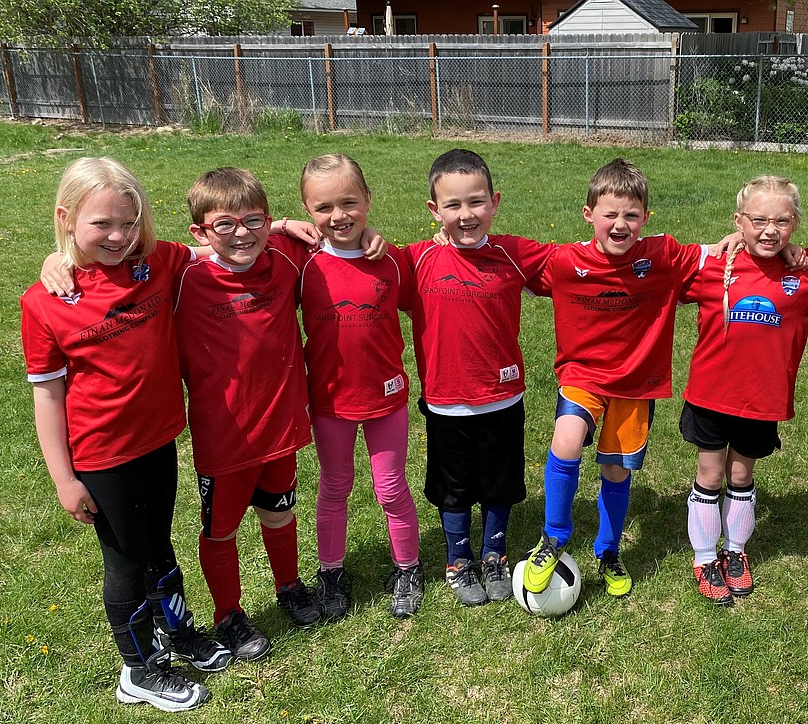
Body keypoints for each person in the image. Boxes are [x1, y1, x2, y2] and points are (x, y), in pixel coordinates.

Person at [21, 157, 229, 712]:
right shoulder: (44, 301)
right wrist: (64, 479)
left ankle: (175, 634)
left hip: (158, 440)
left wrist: (279, 227)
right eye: (101, 225)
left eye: (129, 222)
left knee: (160, 545)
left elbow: (216, 246)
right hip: (102, 455)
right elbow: (47, 396)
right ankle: (138, 670)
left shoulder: (155, 262)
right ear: (66, 218)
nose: (118, 236)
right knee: (127, 561)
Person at [522, 158, 708, 598]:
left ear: (645, 217)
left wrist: (738, 237)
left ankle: (608, 550)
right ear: (589, 215)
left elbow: (708, 256)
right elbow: (511, 265)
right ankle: (554, 536)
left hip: (635, 385)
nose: (620, 224)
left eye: (631, 214)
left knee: (614, 471)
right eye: (610, 214)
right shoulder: (565, 262)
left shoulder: (662, 255)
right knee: (565, 439)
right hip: (582, 376)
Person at [179, 167, 322, 658]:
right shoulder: (185, 278)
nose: (242, 233)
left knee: (279, 514)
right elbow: (120, 258)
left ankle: (288, 585)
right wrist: (56, 259)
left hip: (281, 426)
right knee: (221, 529)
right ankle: (229, 614)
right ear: (200, 232)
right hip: (225, 439)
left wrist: (283, 227)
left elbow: (342, 231)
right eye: (225, 224)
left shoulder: (284, 259)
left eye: (253, 220)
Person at [401, 148, 554, 606]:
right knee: (453, 487)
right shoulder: (415, 260)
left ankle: (494, 554)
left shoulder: (514, 253)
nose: (466, 215)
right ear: (434, 210)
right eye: (453, 205)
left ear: (494, 200)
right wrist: (285, 227)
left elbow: (584, 262)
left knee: (499, 482)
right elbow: (355, 262)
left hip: (503, 398)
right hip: (446, 401)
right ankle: (458, 559)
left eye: (476, 202)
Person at [680, 176, 808, 605]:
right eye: (758, 220)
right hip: (710, 394)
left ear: (795, 223)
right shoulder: (710, 267)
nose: (769, 230)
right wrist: (720, 244)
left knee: (741, 475)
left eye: (781, 221)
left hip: (763, 398)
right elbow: (659, 265)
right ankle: (704, 557)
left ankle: (735, 552)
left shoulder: (806, 274)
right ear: (739, 220)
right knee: (711, 474)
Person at [298, 154, 423, 620]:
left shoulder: (391, 261)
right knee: (335, 486)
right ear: (307, 211)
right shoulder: (302, 262)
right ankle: (330, 572)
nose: (338, 216)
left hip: (385, 397)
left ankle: (408, 567)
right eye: (323, 207)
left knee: (391, 488)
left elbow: (434, 266)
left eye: (349, 202)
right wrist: (286, 225)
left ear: (368, 200)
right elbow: (237, 244)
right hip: (330, 401)